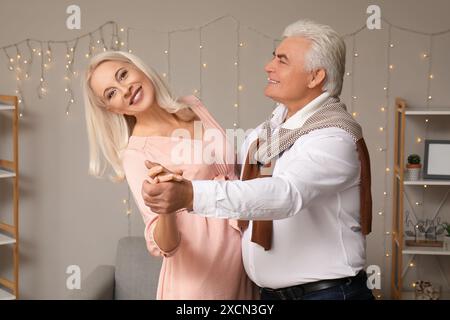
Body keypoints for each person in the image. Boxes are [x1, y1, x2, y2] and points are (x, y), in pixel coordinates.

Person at [142, 19, 375, 300]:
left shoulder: (332, 138)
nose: (269, 66)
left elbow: (284, 195)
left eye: (282, 60)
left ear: (315, 77)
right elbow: (237, 180)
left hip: (327, 295)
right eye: (273, 57)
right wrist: (180, 172)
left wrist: (190, 194)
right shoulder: (268, 132)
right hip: (270, 295)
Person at [82, 51, 257, 300]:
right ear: (111, 109)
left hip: (242, 260)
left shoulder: (193, 106)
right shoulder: (136, 154)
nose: (125, 89)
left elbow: (234, 173)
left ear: (138, 68)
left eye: (123, 75)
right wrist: (165, 204)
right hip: (200, 281)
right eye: (111, 93)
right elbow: (164, 245)